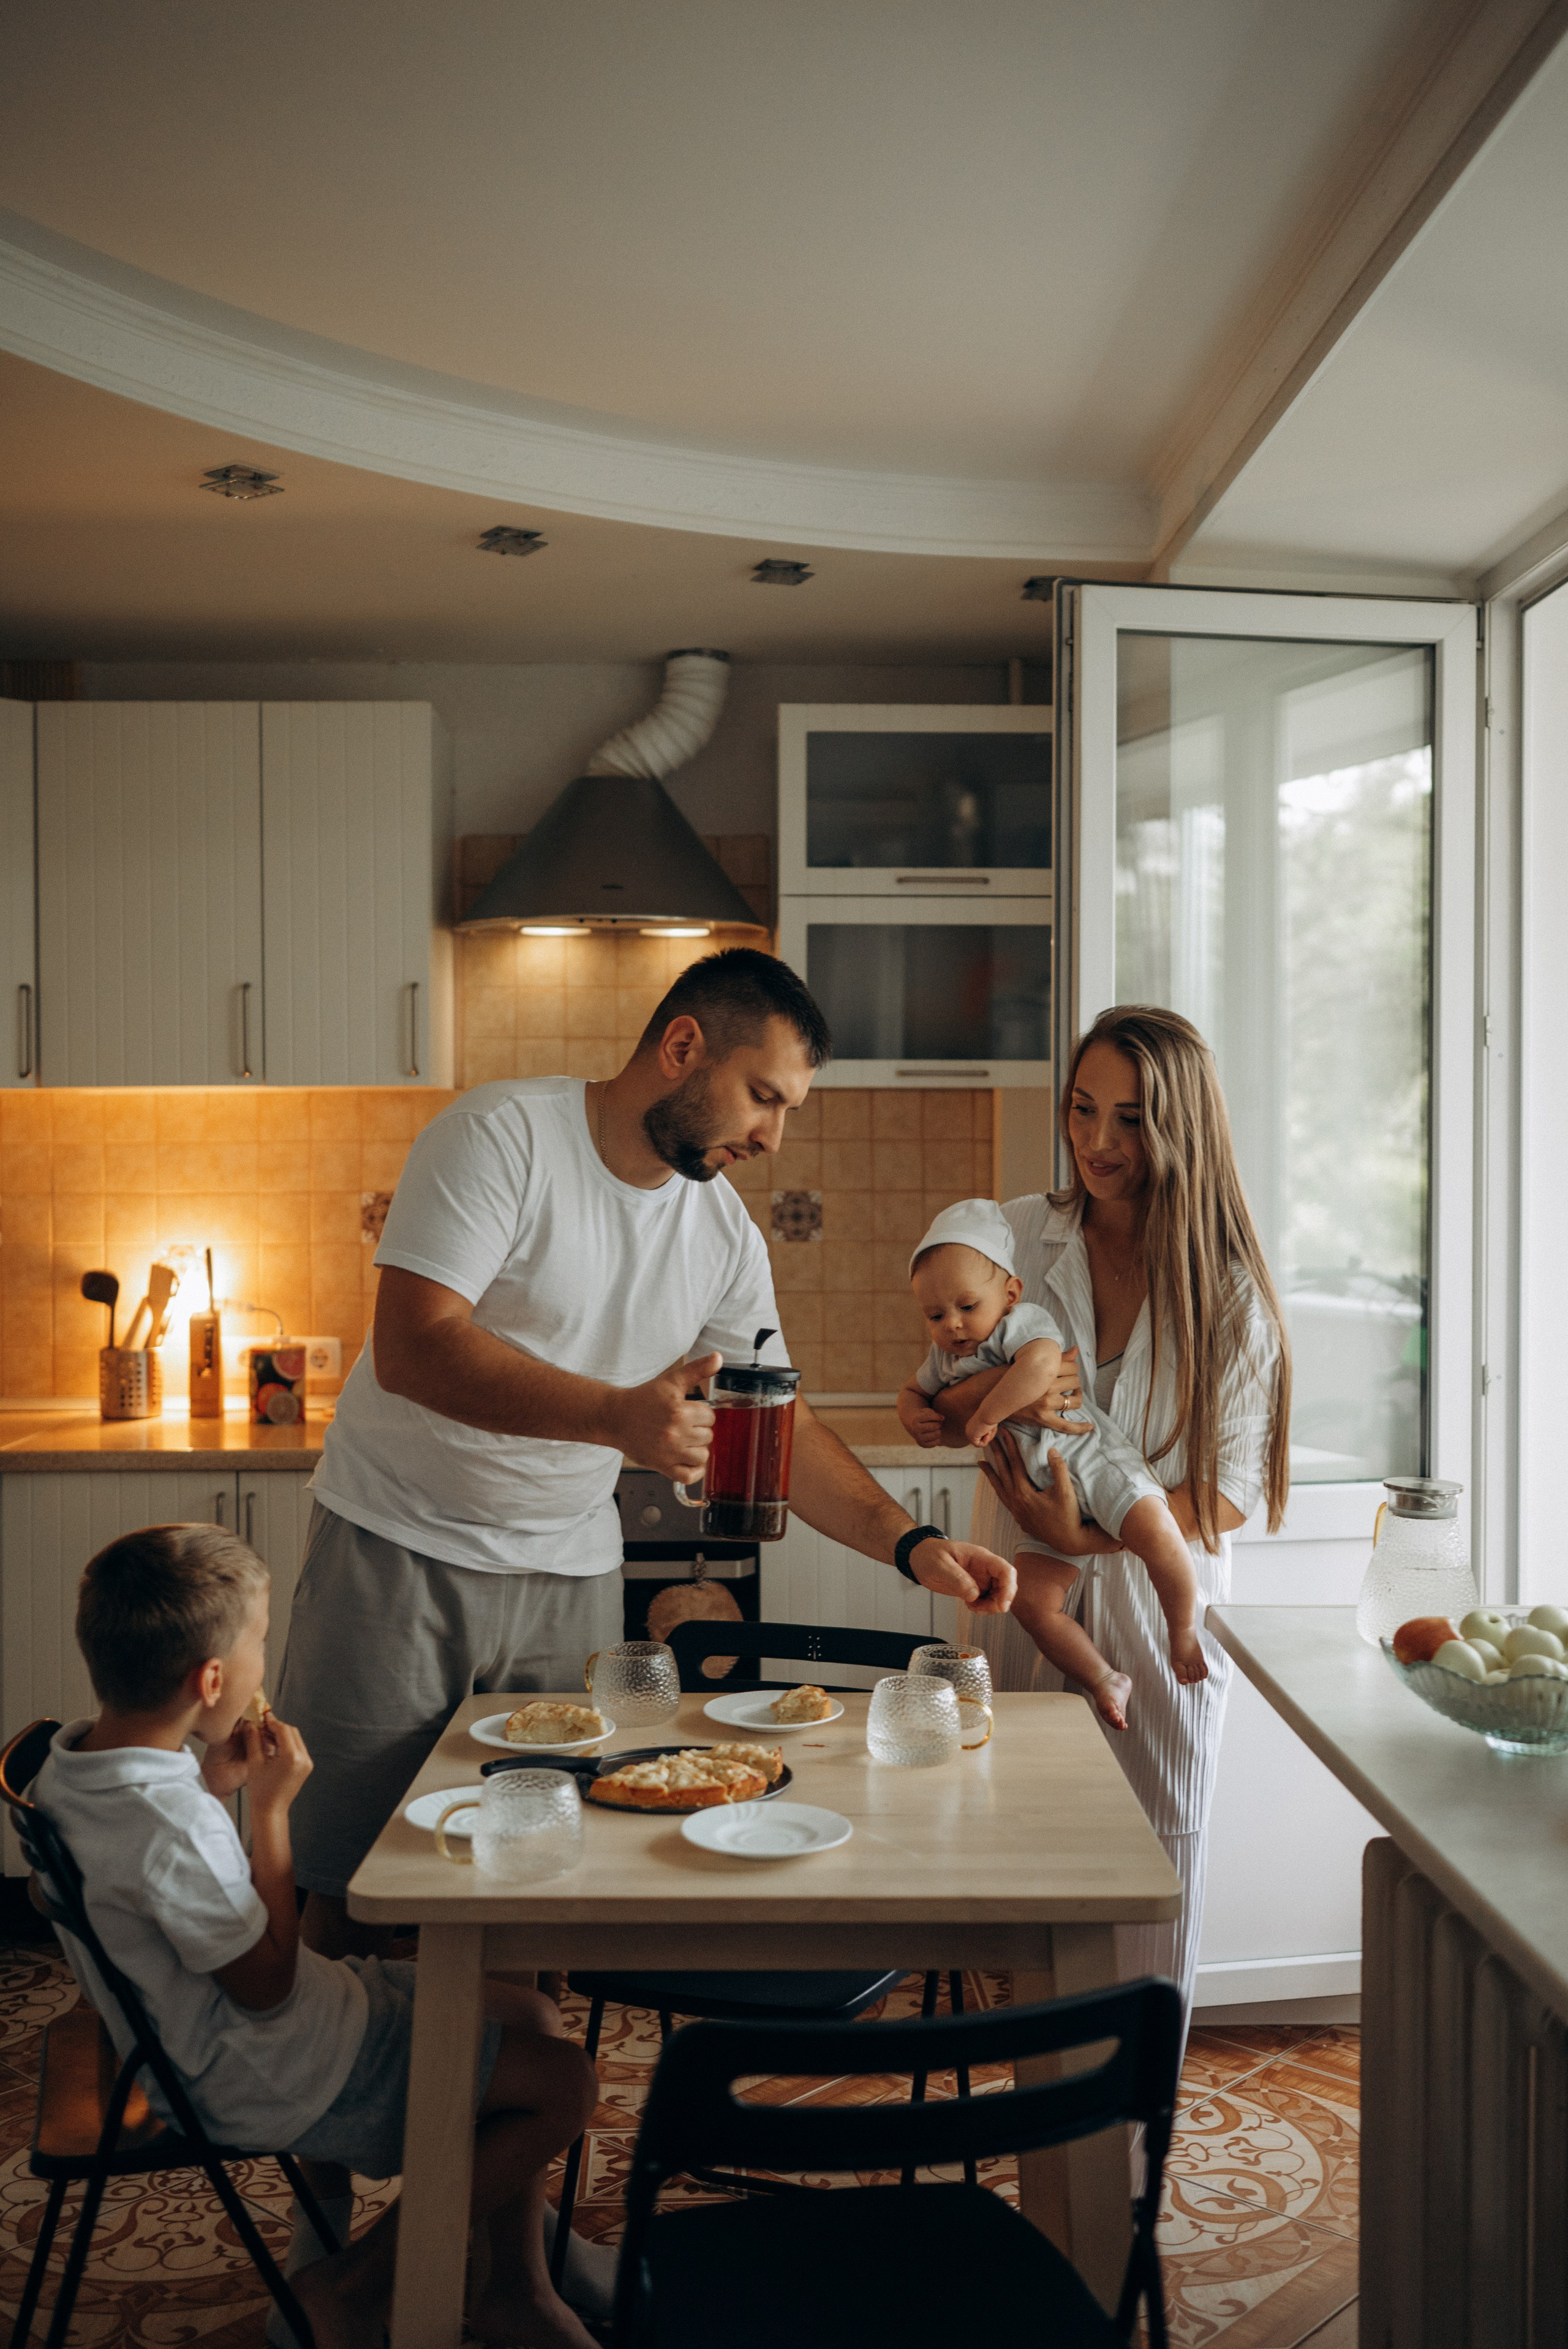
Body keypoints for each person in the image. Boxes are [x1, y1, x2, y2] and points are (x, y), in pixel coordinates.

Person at [284, 948, 1017, 1961]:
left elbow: (780, 1427)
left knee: (531, 1883)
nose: (772, 1134)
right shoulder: (501, 1137)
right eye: (763, 1096)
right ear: (683, 1048)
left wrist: (910, 1543)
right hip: (397, 1549)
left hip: (566, 1574)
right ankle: (348, 2111)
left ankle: (509, 2105)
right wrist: (617, 1420)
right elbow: (415, 1346)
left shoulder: (721, 1235)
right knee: (348, 1890)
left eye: (789, 1107)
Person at [31, 1524, 600, 2349]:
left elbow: (153, 1870)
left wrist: (212, 1783)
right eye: (261, 1642)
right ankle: (353, 2284)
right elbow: (265, 1985)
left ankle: (513, 2278)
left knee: (528, 2019)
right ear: (214, 1677)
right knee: (568, 2083)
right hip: (278, 2065)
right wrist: (269, 1811)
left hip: (235, 2037)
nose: (268, 1661)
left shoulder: (78, 1760)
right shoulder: (169, 1822)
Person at [925, 1007, 1290, 2019]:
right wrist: (982, 1411)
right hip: (1022, 1594)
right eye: (1083, 1110)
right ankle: (1052, 2161)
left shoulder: (1230, 1293)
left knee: (1148, 1909)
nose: (1095, 1142)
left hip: (1155, 1606)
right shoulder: (1010, 1243)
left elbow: (1221, 1496)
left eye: (1128, 1120)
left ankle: (1129, 2170)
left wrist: (1080, 1533)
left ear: (1180, 1131)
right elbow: (948, 1384)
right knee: (1027, 1903)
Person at [898, 1198, 1208, 1728]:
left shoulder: (1021, 1323)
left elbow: (1041, 1365)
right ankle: (1103, 1677)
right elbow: (913, 1391)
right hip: (1037, 1500)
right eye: (935, 1314)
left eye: (967, 1306)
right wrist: (913, 1416)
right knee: (1032, 1601)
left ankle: (1182, 1630)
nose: (952, 1325)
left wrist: (986, 1412)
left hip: (1092, 1462)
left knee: (1158, 1532)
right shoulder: (945, 1357)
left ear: (1010, 1293)